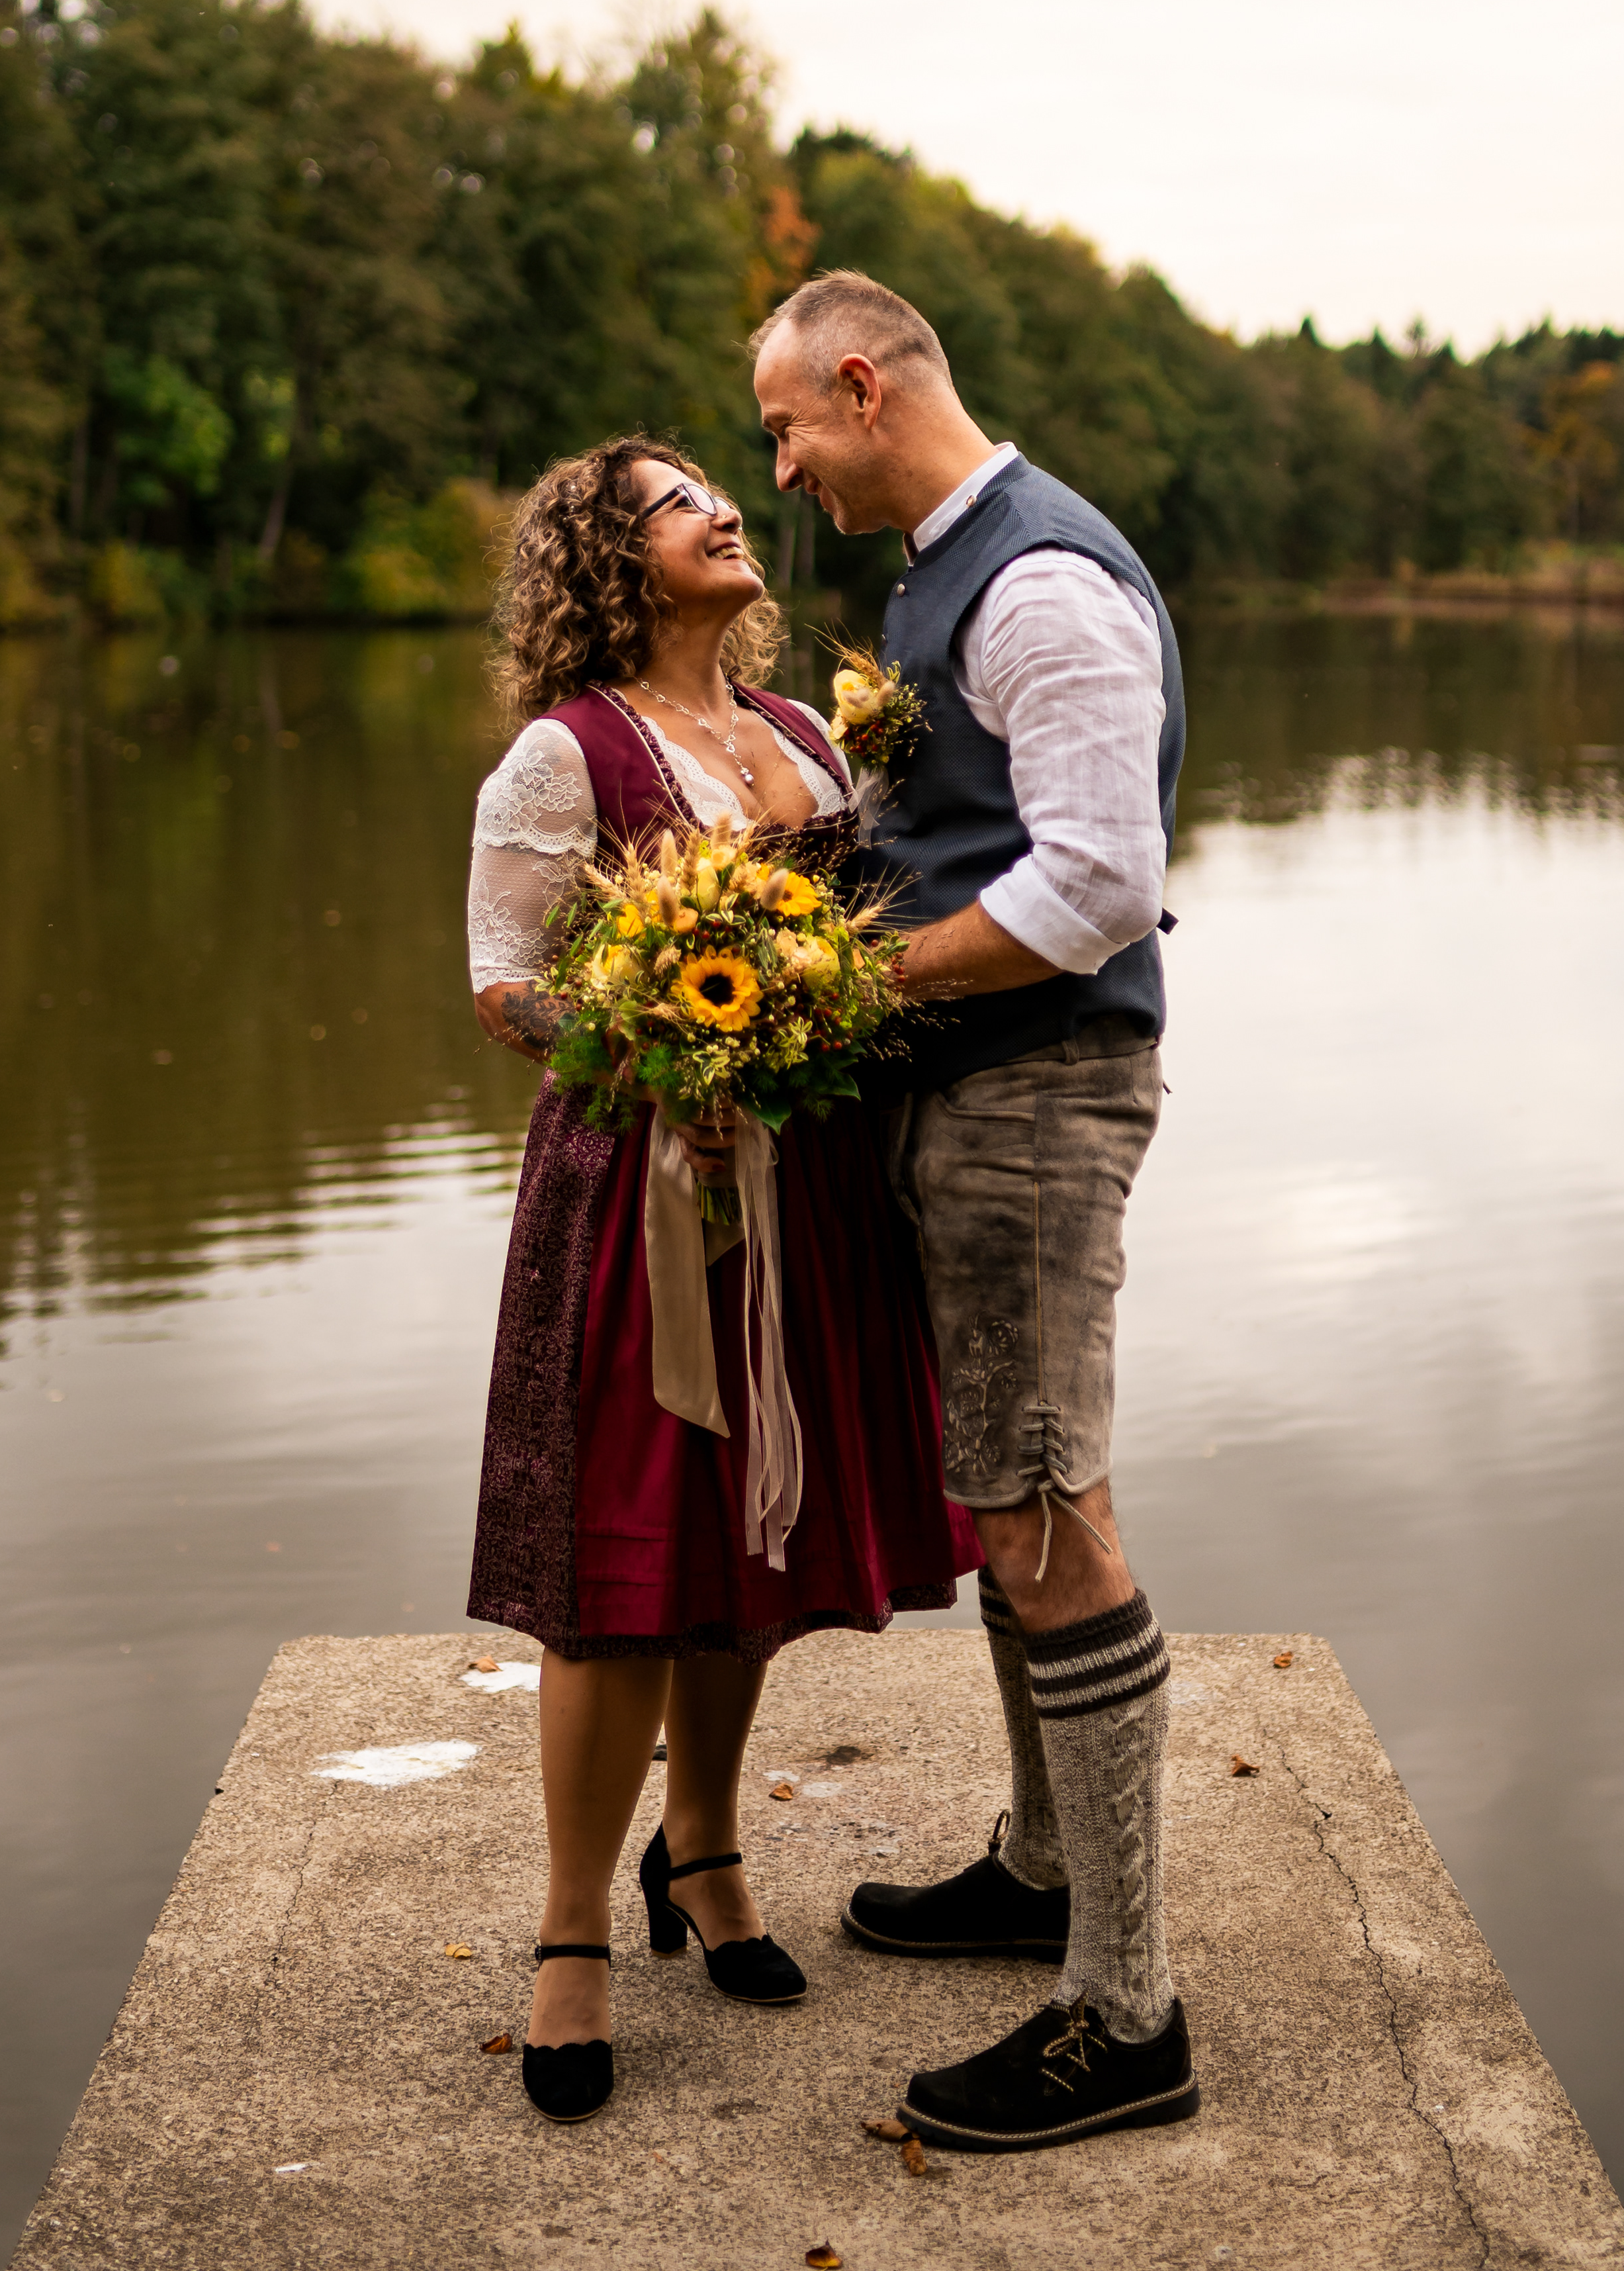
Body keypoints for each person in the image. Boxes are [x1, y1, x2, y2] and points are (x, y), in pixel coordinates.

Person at [465, 434, 979, 2125]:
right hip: (646, 1193)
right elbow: (504, 985)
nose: (726, 511)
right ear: (611, 554)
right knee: (617, 1561)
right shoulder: (566, 754)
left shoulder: (806, 738)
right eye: (683, 497)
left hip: (805, 1193)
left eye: (728, 490)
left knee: (744, 1539)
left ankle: (702, 1850)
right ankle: (566, 1938)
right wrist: (656, 1053)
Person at [750, 271, 1194, 2153]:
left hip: (1038, 1100)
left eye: (785, 426)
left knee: (1043, 1503)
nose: (780, 468)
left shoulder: (1037, 582)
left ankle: (1124, 2012)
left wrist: (863, 985)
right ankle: (1037, 1871)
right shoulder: (942, 570)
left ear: (865, 384)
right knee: (1006, 1495)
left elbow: (1097, 884)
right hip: (977, 1100)